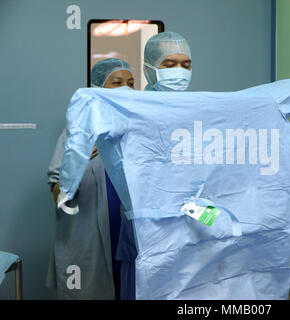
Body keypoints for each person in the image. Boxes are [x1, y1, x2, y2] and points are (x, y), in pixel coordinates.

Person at [46, 58, 134, 300]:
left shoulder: (137, 133)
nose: (125, 88)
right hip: (90, 241)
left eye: (131, 83)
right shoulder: (76, 134)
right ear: (98, 90)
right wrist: (77, 161)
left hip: (130, 240)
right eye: (116, 82)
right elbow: (58, 197)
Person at [117, 31, 192, 300]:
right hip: (147, 223)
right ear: (150, 68)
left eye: (186, 65)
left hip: (188, 224)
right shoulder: (133, 111)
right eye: (169, 65)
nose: (179, 72)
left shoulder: (199, 110)